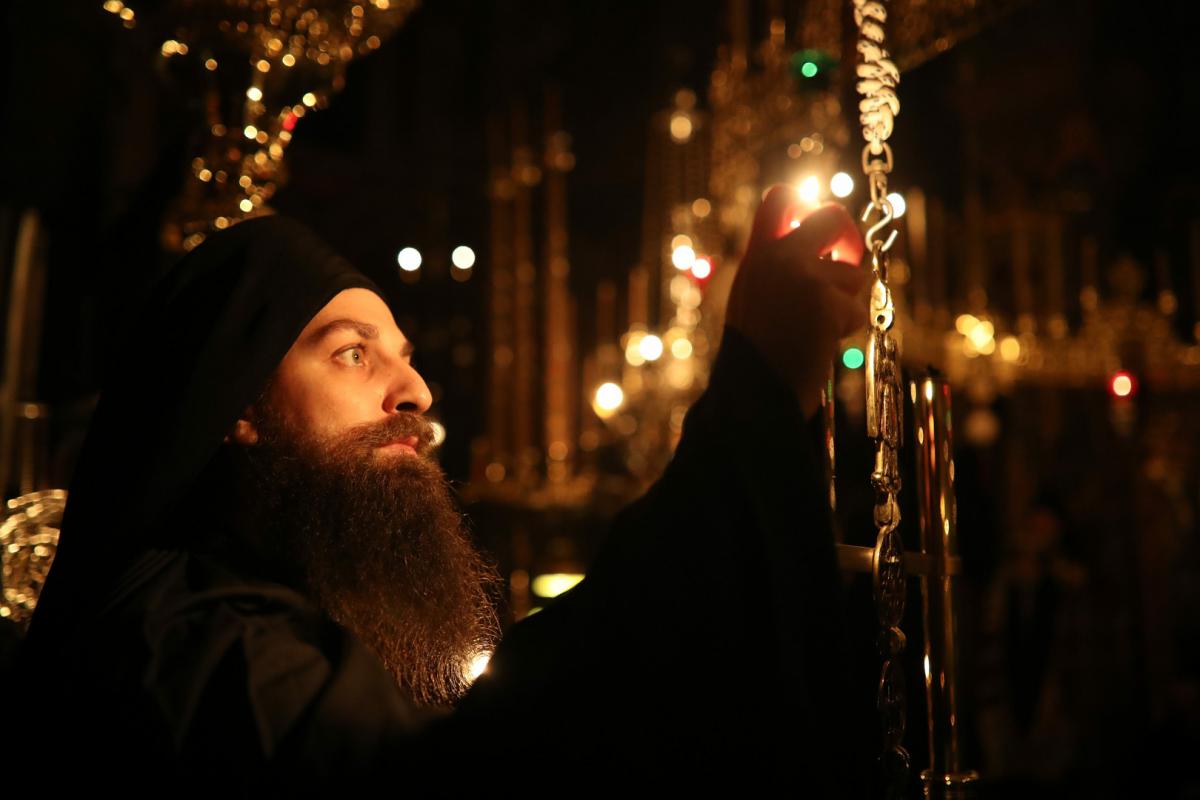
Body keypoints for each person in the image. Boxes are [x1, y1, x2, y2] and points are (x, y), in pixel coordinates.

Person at [11, 186, 866, 794]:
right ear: (236, 403)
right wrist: (754, 394)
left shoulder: (283, 610)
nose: (415, 391)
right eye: (353, 353)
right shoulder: (187, 648)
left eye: (405, 356)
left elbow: (502, 712)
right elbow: (456, 779)